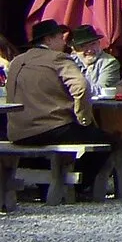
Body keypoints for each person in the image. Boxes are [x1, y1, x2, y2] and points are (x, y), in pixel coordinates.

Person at [6, 21, 114, 164]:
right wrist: (84, 120)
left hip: (17, 133)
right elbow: (81, 87)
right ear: (48, 39)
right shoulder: (57, 58)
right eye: (60, 37)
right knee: (111, 142)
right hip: (52, 129)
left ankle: (48, 182)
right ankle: (78, 183)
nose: (64, 42)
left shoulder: (16, 61)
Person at [68, 27, 122, 96]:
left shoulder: (109, 62)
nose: (90, 50)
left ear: (99, 43)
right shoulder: (69, 62)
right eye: (83, 46)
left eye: (93, 44)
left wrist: (73, 90)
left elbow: (102, 90)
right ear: (74, 49)